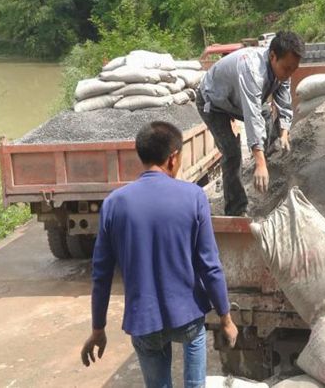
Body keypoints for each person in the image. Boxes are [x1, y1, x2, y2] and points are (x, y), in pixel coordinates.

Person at [80, 121, 238, 388]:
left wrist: (98, 329)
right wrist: (225, 318)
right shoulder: (193, 196)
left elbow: (101, 275)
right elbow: (209, 265)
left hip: (144, 320)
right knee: (195, 374)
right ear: (173, 158)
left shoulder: (114, 204)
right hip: (188, 316)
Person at [196, 31, 305, 216]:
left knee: (267, 115)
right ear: (273, 56)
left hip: (235, 99)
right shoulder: (252, 70)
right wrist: (259, 163)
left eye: (293, 69)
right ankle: (236, 210)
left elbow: (284, 102)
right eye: (287, 68)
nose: (289, 74)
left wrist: (284, 133)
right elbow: (252, 116)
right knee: (232, 152)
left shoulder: (284, 69)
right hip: (213, 101)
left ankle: (266, 170)